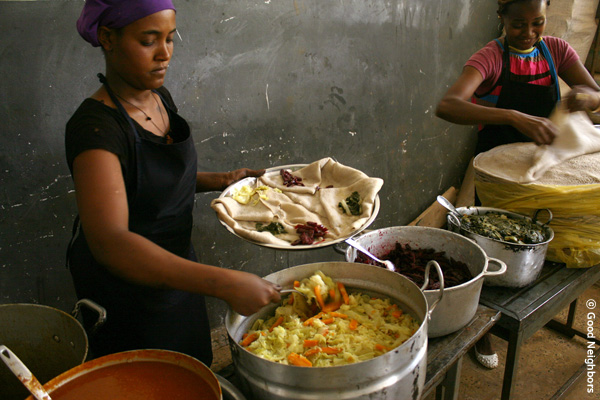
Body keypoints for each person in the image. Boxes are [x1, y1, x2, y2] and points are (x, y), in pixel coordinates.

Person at [65, 0, 281, 366]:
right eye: (149, 41)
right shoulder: (96, 130)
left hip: (178, 270)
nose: (164, 54)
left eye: (169, 39)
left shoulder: (157, 98)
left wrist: (222, 181)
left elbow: (149, 181)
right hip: (128, 293)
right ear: (108, 38)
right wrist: (222, 283)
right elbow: (111, 243)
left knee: (193, 362)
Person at [435, 0, 600, 369]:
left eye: (537, 23)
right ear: (501, 19)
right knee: (484, 258)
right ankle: (480, 333)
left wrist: (586, 97)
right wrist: (512, 115)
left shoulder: (556, 50)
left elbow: (596, 95)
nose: (528, 33)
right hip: (495, 175)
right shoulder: (489, 58)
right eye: (518, 25)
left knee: (533, 249)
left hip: (539, 174)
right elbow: (447, 106)